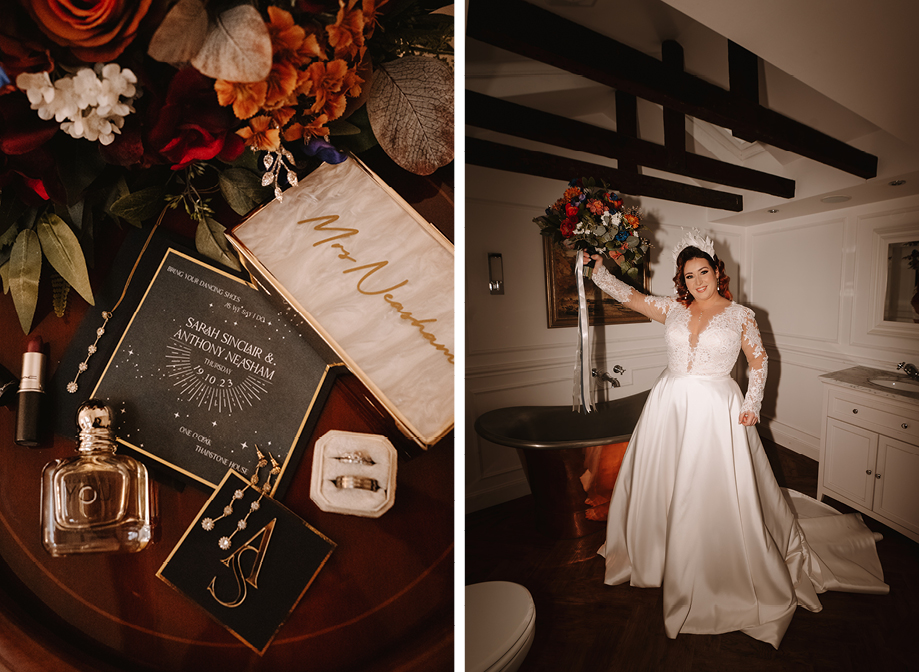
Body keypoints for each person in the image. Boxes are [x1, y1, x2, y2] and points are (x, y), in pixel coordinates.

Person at [584, 228, 888, 648]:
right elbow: (631, 297)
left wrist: (753, 402)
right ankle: (655, 552)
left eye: (702, 272)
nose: (697, 282)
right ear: (682, 280)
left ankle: (713, 563)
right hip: (668, 405)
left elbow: (758, 363)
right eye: (688, 276)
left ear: (716, 271)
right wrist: (600, 272)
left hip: (715, 409)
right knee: (663, 482)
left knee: (709, 486)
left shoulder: (741, 315)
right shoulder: (672, 309)